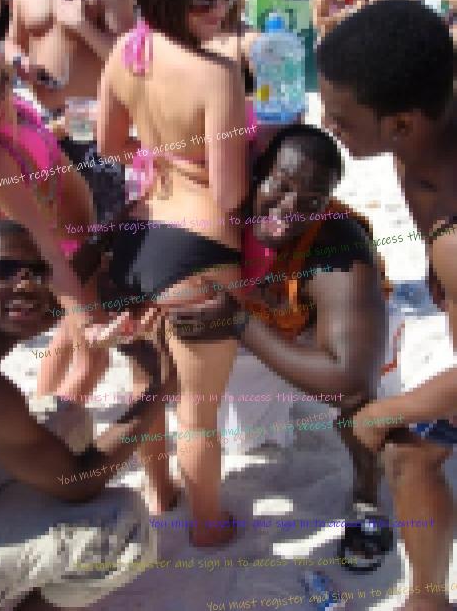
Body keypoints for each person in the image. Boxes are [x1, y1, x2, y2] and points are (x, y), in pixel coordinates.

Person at [168, 124, 396, 568]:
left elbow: (348, 380)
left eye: (311, 201)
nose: (290, 208)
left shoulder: (337, 246)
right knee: (242, 439)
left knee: (361, 406)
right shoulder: (221, 208)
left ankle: (367, 496)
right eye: (282, 185)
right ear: (256, 173)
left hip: (327, 335)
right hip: (265, 323)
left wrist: (239, 323)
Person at [96, 0, 247, 546]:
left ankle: (160, 492)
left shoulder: (124, 54)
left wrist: (160, 154)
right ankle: (207, 526)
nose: (220, 6)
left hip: (135, 241)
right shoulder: (218, 74)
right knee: (199, 412)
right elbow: (230, 194)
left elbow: (108, 147)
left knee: (147, 389)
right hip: (197, 250)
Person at [317, 0, 456, 611]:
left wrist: (383, 413)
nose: (328, 126)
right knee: (412, 451)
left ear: (400, 124)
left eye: (342, 121)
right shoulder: (420, 140)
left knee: (401, 444)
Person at [0, 217, 169, 611]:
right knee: (121, 528)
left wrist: (101, 241)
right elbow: (78, 481)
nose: (27, 285)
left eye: (37, 273)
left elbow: (41, 306)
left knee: (66, 418)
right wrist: (158, 388)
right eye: (3, 270)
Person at [4, 0, 134, 402]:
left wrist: (81, 26)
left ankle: (65, 394)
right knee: (62, 265)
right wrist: (19, 62)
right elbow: (12, 41)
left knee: (94, 264)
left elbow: (130, 57)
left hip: (98, 136)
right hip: (47, 136)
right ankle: (54, 396)